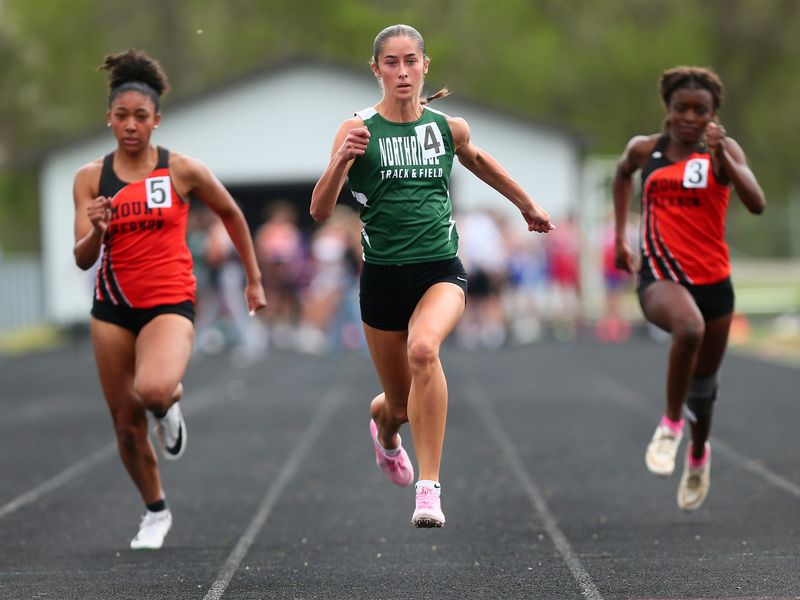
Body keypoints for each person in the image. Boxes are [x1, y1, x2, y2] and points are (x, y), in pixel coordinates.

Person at [310, 24, 554, 527]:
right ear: (376, 70)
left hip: (440, 269)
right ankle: (386, 432)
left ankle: (429, 488)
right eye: (391, 63)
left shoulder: (447, 128)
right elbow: (318, 210)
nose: (402, 72)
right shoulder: (356, 128)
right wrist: (341, 158)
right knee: (398, 406)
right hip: (381, 278)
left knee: (424, 350)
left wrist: (528, 206)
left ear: (425, 65)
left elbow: (481, 162)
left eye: (410, 61)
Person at [72, 49, 266, 549]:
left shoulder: (181, 169)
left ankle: (170, 402)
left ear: (156, 120)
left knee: (154, 390)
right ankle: (155, 511)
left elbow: (231, 214)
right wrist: (97, 230)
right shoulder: (90, 179)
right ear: (109, 119)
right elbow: (80, 257)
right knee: (125, 425)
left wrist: (253, 279)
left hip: (169, 302)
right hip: (112, 307)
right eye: (122, 116)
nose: (131, 125)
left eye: (141, 116)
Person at [613, 66, 765, 511]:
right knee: (689, 329)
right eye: (682, 108)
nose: (690, 118)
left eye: (701, 111)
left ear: (713, 114)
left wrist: (725, 156)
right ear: (668, 109)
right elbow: (622, 175)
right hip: (660, 277)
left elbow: (756, 203)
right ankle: (671, 424)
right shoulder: (647, 150)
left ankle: (698, 455)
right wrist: (623, 235)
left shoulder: (722, 152)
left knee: (706, 386)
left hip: (714, 282)